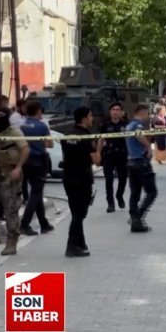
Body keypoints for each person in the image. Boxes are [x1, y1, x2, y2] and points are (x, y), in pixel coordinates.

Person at [61, 106, 101, 257]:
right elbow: (97, 160)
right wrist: (99, 146)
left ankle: (80, 242)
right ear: (84, 118)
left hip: (68, 178)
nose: (92, 119)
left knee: (75, 213)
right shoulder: (86, 136)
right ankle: (71, 247)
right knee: (79, 214)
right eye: (91, 116)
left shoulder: (67, 135)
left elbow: (65, 156)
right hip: (82, 178)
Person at [0, 108, 30, 255]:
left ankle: (12, 241)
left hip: (10, 175)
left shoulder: (14, 132)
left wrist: (18, 168)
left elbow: (25, 149)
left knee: (11, 209)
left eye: (1, 115)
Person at [19, 101, 54, 236]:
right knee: (36, 193)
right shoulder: (42, 126)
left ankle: (43, 223)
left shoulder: (21, 125)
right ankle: (24, 224)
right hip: (39, 161)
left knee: (36, 192)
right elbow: (50, 144)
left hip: (25, 161)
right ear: (38, 111)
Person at [125, 104, 156, 233]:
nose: (147, 117)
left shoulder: (128, 125)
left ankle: (135, 221)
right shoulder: (136, 125)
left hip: (131, 162)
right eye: (147, 114)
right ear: (142, 113)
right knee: (151, 191)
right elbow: (138, 135)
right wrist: (148, 146)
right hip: (141, 162)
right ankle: (137, 217)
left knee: (135, 193)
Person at [98, 102, 128, 213]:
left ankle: (119, 196)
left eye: (117, 109)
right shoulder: (105, 125)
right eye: (113, 109)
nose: (115, 112)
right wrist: (98, 154)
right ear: (110, 112)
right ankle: (110, 203)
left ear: (121, 112)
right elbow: (101, 140)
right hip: (109, 156)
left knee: (123, 178)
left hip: (122, 155)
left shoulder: (126, 125)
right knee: (109, 180)